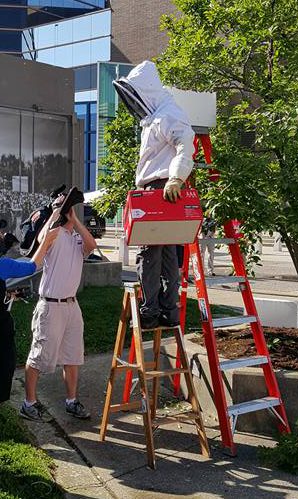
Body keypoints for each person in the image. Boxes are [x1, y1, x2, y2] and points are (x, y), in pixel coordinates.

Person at [113, 60, 195, 329]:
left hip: (160, 190)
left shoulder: (168, 114)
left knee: (150, 254)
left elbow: (186, 144)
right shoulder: (158, 116)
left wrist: (176, 178)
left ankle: (150, 310)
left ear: (145, 91)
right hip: (161, 189)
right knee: (168, 253)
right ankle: (168, 310)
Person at [20, 202, 97, 421]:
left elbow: (91, 245)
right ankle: (29, 403)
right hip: (50, 305)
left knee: (72, 357)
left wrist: (76, 220)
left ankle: (71, 401)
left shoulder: (78, 238)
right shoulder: (55, 233)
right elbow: (40, 239)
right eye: (69, 209)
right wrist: (55, 213)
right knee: (38, 356)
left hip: (72, 306)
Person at [0, 227, 59, 404]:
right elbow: (31, 267)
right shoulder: (2, 264)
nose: (3, 236)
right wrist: (47, 240)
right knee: (3, 367)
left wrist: (7, 294)